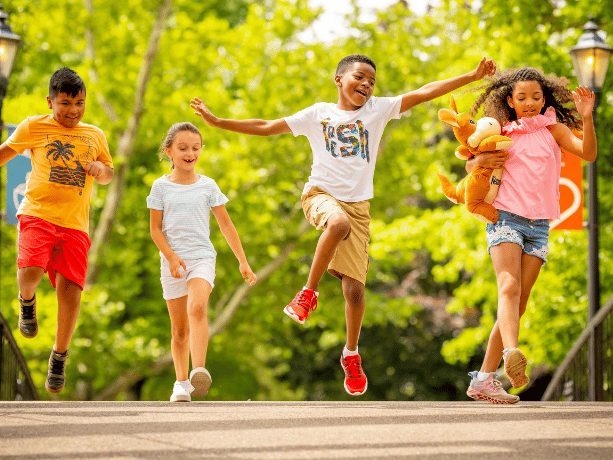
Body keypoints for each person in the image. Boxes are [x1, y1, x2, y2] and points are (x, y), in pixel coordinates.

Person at [190, 54, 496, 396]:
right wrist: (218, 122)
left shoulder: (377, 110)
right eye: (359, 77)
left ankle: (350, 354)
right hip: (319, 195)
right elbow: (266, 126)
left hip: (358, 207)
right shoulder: (318, 114)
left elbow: (425, 92)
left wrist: (471, 75)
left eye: (371, 81)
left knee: (354, 291)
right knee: (336, 224)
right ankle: (308, 293)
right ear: (339, 79)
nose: (366, 85)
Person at [464, 67, 597, 404]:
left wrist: (587, 117)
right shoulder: (502, 133)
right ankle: (511, 352)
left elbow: (588, 152)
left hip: (539, 226)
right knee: (508, 287)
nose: (529, 103)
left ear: (544, 99)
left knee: (517, 305)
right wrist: (478, 159)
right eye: (521, 97)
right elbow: (472, 167)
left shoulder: (555, 129)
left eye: (536, 97)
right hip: (505, 217)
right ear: (509, 100)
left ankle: (483, 379)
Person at [0, 67, 114, 393]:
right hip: (38, 214)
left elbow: (108, 173)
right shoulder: (34, 127)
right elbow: (6, 153)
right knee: (31, 268)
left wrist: (100, 170)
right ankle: (27, 301)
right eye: (65, 103)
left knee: (71, 290)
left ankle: (59, 355)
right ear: (50, 101)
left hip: (75, 224)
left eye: (79, 103)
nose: (73, 111)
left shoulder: (94, 135)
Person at [147, 122, 257, 402]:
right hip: (172, 263)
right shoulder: (160, 187)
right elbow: (155, 230)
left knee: (197, 307)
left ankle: (199, 371)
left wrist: (242, 261)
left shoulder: (208, 186)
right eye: (183, 148)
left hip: (202, 259)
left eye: (195, 148)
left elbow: (226, 225)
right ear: (169, 151)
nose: (190, 153)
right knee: (179, 330)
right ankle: (181, 383)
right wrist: (170, 257)